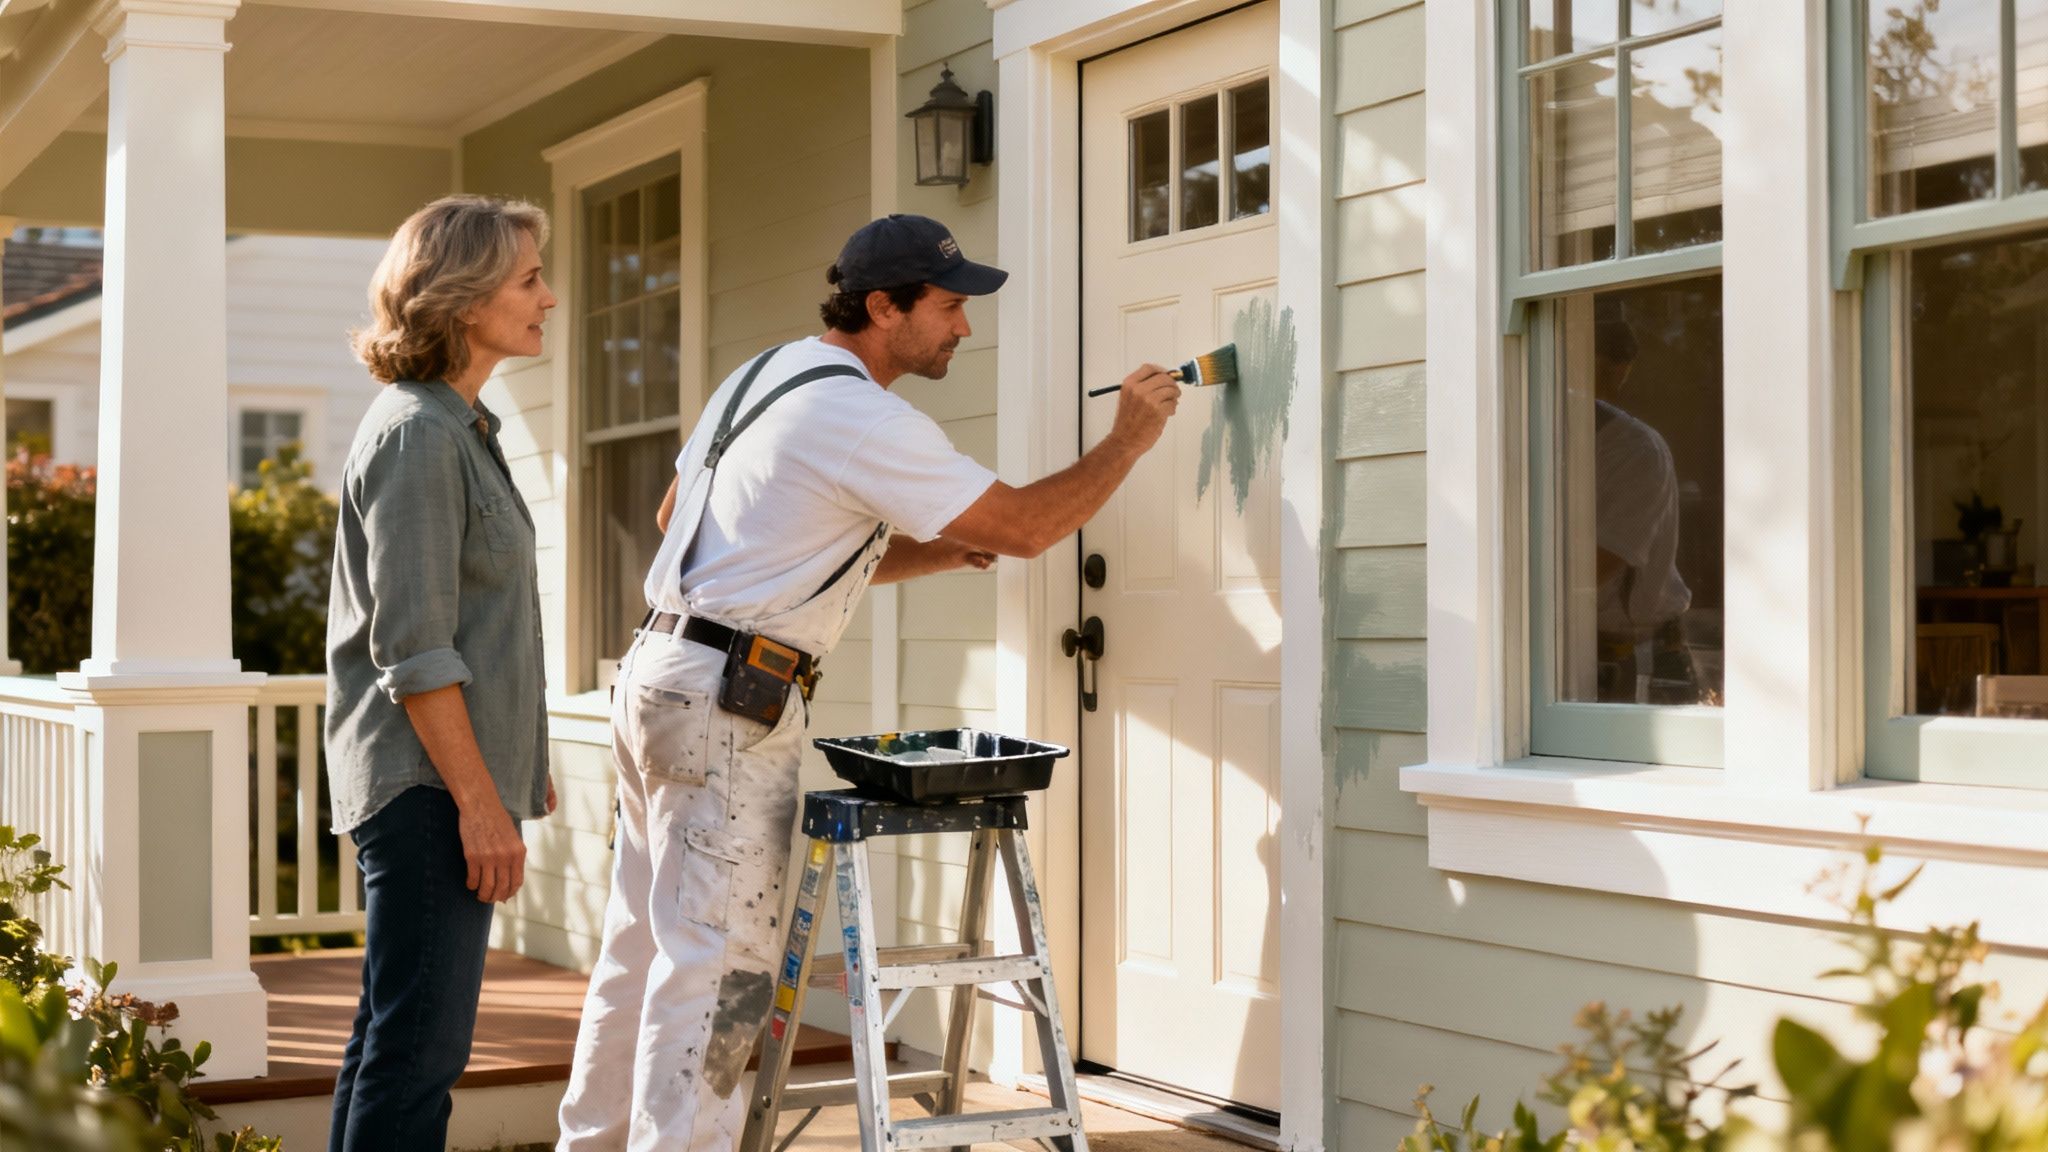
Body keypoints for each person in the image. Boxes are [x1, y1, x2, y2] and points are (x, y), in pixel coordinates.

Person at [554, 214, 1180, 1151]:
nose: (964, 329)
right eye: (950, 307)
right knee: (720, 971)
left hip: (658, 674)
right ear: (883, 308)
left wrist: (928, 556)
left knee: (642, 950)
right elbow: (1024, 526)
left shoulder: (760, 375)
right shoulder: (860, 413)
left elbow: (686, 519)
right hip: (730, 701)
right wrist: (1127, 440)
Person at [324, 194, 560, 1152]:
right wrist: (478, 802)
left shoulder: (464, 424)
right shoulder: (419, 434)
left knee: (395, 1040)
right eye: (530, 278)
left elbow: (480, 622)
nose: (549, 296)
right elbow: (415, 651)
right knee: (420, 1055)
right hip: (426, 791)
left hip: (446, 781)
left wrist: (513, 762)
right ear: (466, 301)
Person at [1591, 312, 1692, 702]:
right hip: (1586, 651)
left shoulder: (1634, 451)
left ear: (1617, 371)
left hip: (1636, 662)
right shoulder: (1544, 437)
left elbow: (1598, 564)